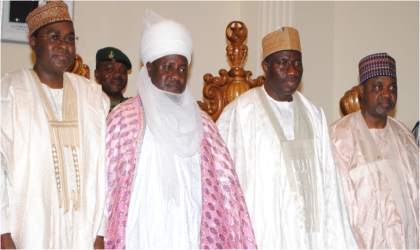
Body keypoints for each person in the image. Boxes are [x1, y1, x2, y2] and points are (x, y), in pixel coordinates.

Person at [104, 10, 256, 249]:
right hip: (141, 234)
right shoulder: (123, 120)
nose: (175, 76)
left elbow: (227, 193)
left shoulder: (204, 125)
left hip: (189, 231)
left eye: (182, 69)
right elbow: (105, 187)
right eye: (168, 67)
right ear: (150, 67)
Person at [216, 27, 357, 248]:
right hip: (264, 235)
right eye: (283, 63)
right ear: (265, 67)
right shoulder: (240, 113)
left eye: (297, 63)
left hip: (311, 239)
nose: (292, 70)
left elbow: (330, 182)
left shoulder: (314, 113)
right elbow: (222, 184)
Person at [1, 1, 109, 248]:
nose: (64, 45)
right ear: (33, 41)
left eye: (70, 38)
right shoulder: (9, 92)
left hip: (82, 231)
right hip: (27, 228)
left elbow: (103, 170)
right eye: (54, 37)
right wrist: (3, 232)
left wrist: (100, 231)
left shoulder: (93, 97)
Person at [329, 53, 419, 249]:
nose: (386, 94)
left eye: (392, 87)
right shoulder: (339, 137)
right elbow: (332, 206)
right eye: (378, 87)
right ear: (361, 90)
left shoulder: (405, 136)